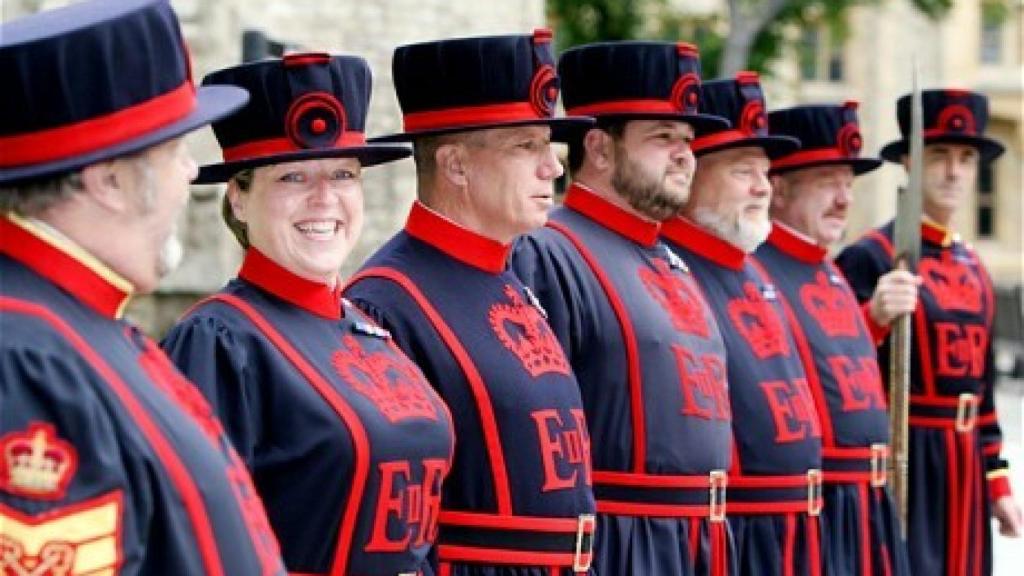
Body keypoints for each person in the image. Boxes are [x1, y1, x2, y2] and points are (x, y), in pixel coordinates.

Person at [0, 1, 287, 574]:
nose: (189, 174)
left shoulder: (81, 323)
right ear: (109, 181)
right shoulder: (26, 356)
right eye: (174, 151)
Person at [159, 53, 455, 576]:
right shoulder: (220, 341)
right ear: (240, 198)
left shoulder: (369, 330)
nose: (325, 198)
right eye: (293, 177)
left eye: (342, 174)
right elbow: (192, 542)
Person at [343, 30, 598, 576]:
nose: (553, 167)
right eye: (526, 146)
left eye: (547, 145)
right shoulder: (384, 304)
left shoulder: (511, 278)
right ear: (456, 165)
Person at [509, 41, 735, 576]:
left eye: (688, 139)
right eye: (662, 138)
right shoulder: (547, 250)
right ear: (600, 148)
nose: (685, 154)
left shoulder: (670, 258)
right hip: (618, 543)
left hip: (699, 541)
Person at [836, 88, 1023, 576]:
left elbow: (982, 393)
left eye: (966, 157)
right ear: (909, 164)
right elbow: (831, 362)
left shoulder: (974, 266)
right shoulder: (870, 256)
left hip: (965, 468)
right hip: (905, 457)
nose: (955, 171)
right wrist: (873, 316)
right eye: (939, 156)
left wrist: (998, 482)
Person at [659, 72, 827, 576]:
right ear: (693, 172)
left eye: (765, 171)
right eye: (742, 171)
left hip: (798, 526)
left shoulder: (754, 267)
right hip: (738, 530)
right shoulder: (671, 269)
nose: (762, 188)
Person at [751, 101, 916, 576]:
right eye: (827, 181)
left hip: (868, 502)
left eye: (848, 182)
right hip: (821, 504)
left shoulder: (828, 268)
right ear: (778, 188)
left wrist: (877, 320)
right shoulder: (758, 269)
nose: (844, 199)